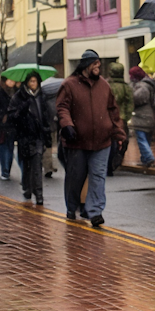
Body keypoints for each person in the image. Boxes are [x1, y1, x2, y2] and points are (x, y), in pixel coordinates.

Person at [56, 49, 125, 226]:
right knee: (75, 177)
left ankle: (95, 212)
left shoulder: (104, 86)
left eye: (99, 64)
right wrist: (67, 125)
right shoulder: (69, 84)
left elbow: (113, 112)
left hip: (102, 141)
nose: (98, 67)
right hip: (77, 141)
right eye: (94, 64)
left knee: (98, 176)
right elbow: (62, 107)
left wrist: (119, 134)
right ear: (86, 65)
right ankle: (72, 208)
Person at [8, 72, 52, 205]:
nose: (33, 84)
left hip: (38, 136)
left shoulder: (41, 97)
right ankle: (27, 188)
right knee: (27, 165)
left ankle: (39, 194)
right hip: (24, 137)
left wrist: (47, 132)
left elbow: (45, 116)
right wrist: (21, 110)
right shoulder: (18, 97)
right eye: (31, 81)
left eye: (35, 81)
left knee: (37, 164)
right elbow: (11, 117)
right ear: (27, 82)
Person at [128, 66, 155, 168]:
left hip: (141, 117)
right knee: (146, 139)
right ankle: (144, 159)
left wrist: (131, 92)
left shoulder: (142, 86)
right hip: (149, 117)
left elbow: (136, 98)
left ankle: (148, 157)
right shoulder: (151, 85)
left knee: (141, 139)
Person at [107, 61, 134, 174]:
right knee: (123, 140)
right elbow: (130, 103)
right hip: (121, 119)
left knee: (109, 141)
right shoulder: (126, 87)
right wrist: (126, 117)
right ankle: (116, 160)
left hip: (108, 118)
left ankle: (109, 162)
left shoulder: (106, 85)